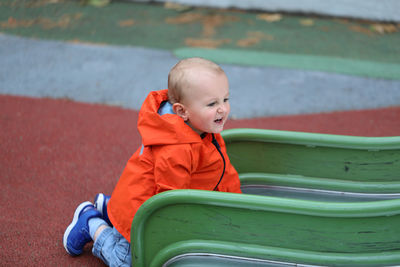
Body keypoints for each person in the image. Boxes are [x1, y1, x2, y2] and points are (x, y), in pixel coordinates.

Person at [63, 57, 242, 266]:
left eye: (225, 99)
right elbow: (169, 201)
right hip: (140, 216)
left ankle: (109, 207)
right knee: (127, 262)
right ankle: (91, 223)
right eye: (212, 103)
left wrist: (237, 204)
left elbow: (224, 171)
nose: (222, 109)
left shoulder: (204, 128)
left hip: (139, 197)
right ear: (182, 111)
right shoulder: (176, 149)